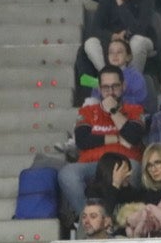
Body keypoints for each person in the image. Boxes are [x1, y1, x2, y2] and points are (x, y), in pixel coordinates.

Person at [57, 68, 145, 223]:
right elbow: (83, 141)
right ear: (99, 88)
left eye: (115, 87)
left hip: (124, 161)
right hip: (91, 164)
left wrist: (113, 111)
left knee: (135, 168)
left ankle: (114, 219)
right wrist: (117, 138)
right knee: (67, 174)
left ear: (123, 86)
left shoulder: (134, 110)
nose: (110, 92)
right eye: (105, 87)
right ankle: (92, 222)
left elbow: (133, 137)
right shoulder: (88, 111)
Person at [86, 0, 159, 75]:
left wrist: (120, 2)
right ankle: (107, 76)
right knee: (90, 43)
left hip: (141, 38)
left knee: (137, 42)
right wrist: (113, 36)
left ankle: (132, 79)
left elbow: (140, 30)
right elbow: (95, 28)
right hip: (114, 40)